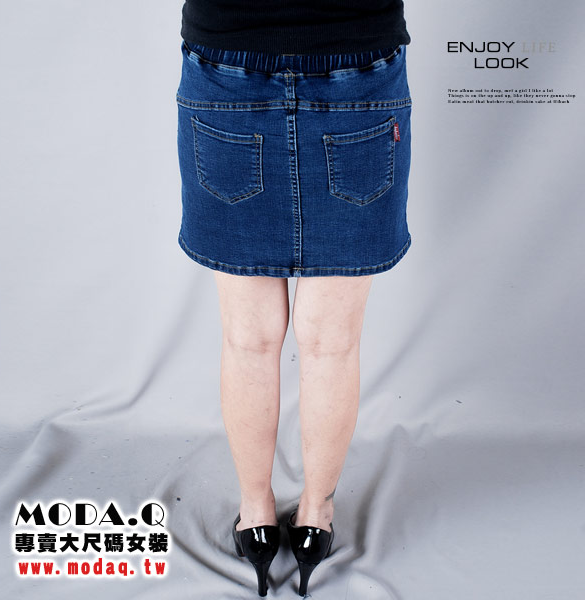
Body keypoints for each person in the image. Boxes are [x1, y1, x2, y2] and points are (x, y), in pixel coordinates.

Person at [176, 1, 412, 595]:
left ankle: (256, 516)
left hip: (227, 66)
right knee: (332, 342)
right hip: (358, 64)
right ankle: (315, 519)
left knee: (248, 337)